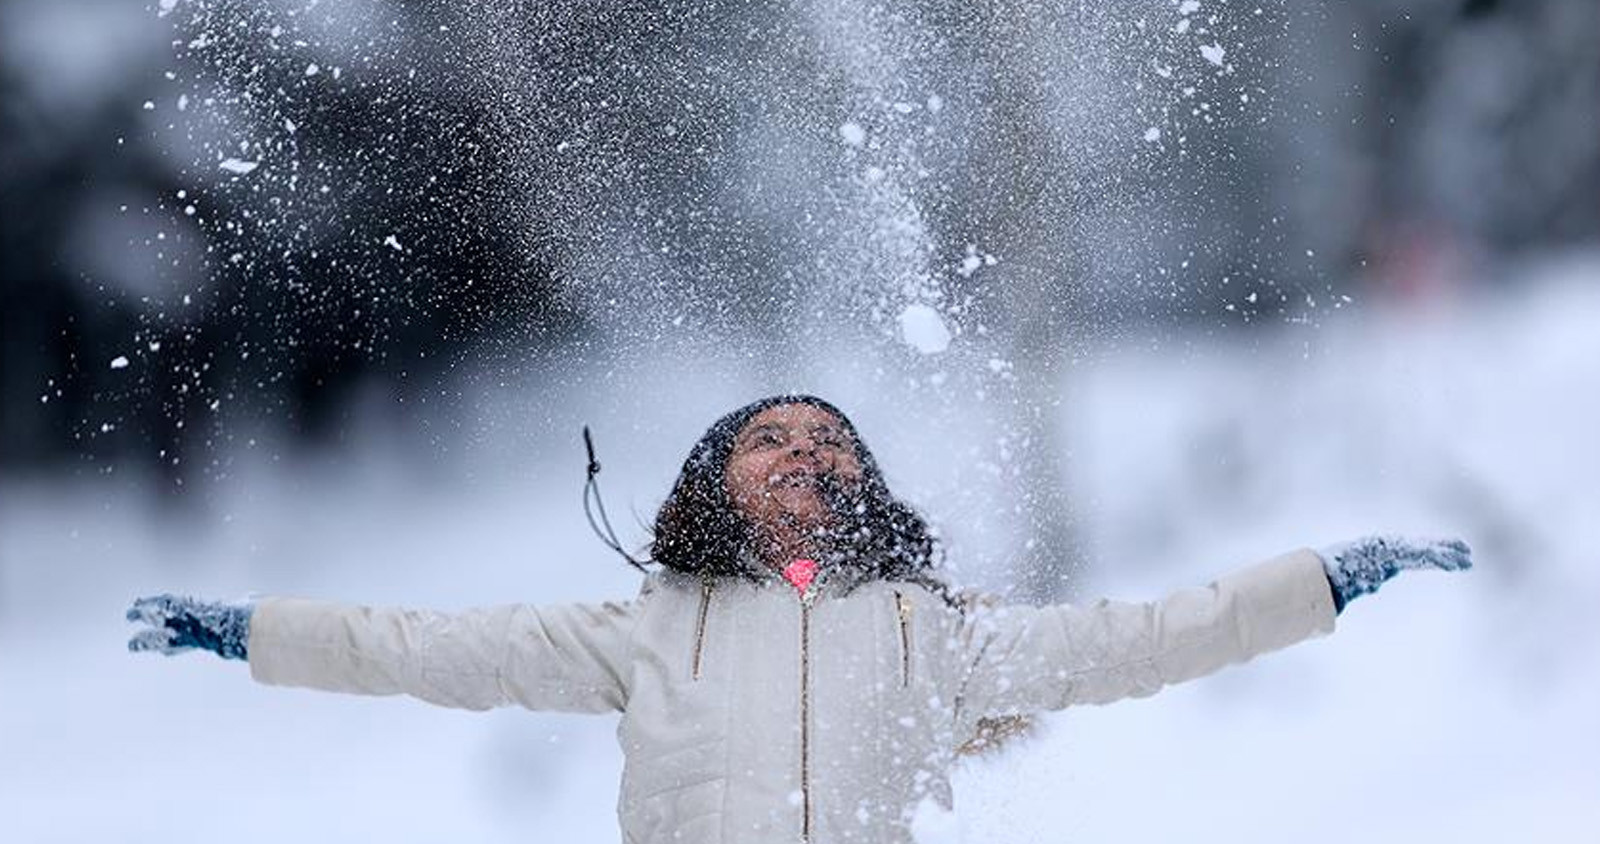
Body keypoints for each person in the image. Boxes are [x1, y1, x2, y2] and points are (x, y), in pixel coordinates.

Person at [127, 393, 1471, 844]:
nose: (803, 452)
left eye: (830, 440)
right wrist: (254, 632)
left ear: (864, 486)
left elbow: (1143, 637)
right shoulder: (645, 628)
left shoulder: (929, 633)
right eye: (769, 437)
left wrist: (1324, 582)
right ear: (714, 480)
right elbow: (425, 650)